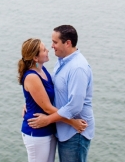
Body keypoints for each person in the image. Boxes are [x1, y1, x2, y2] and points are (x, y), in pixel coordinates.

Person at [28, 25, 95, 162]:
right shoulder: (62, 61)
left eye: (55, 42)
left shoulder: (77, 68)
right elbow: (52, 88)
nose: (52, 46)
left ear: (68, 43)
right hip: (64, 129)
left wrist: (47, 120)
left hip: (75, 133)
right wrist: (31, 103)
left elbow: (74, 106)